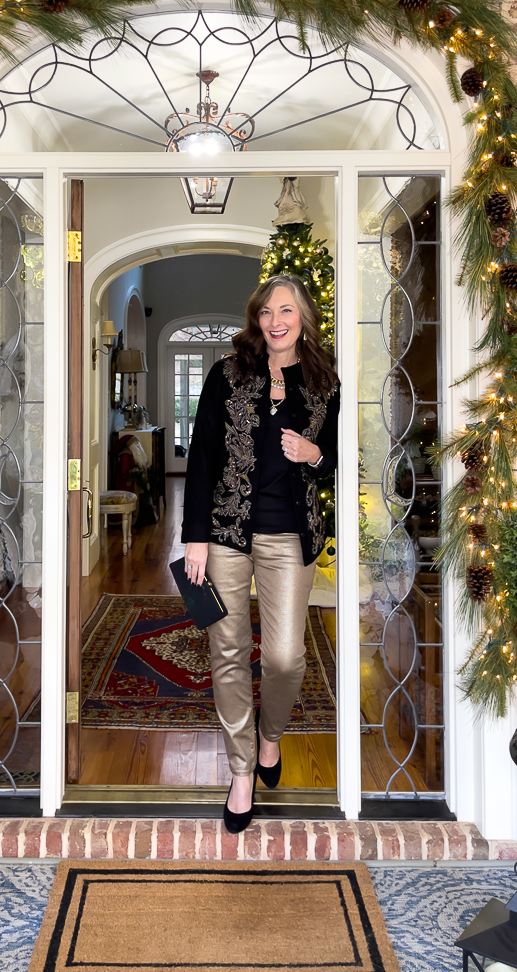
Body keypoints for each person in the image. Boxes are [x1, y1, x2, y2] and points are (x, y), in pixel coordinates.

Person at [182, 273, 340, 832]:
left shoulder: (324, 382)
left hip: (289, 534)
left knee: (283, 657)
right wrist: (194, 537)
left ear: (303, 318)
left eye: (287, 310)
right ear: (256, 318)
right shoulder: (226, 375)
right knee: (226, 650)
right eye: (267, 311)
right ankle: (241, 769)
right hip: (225, 531)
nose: (276, 320)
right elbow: (200, 456)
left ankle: (270, 735)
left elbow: (335, 456)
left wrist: (314, 451)